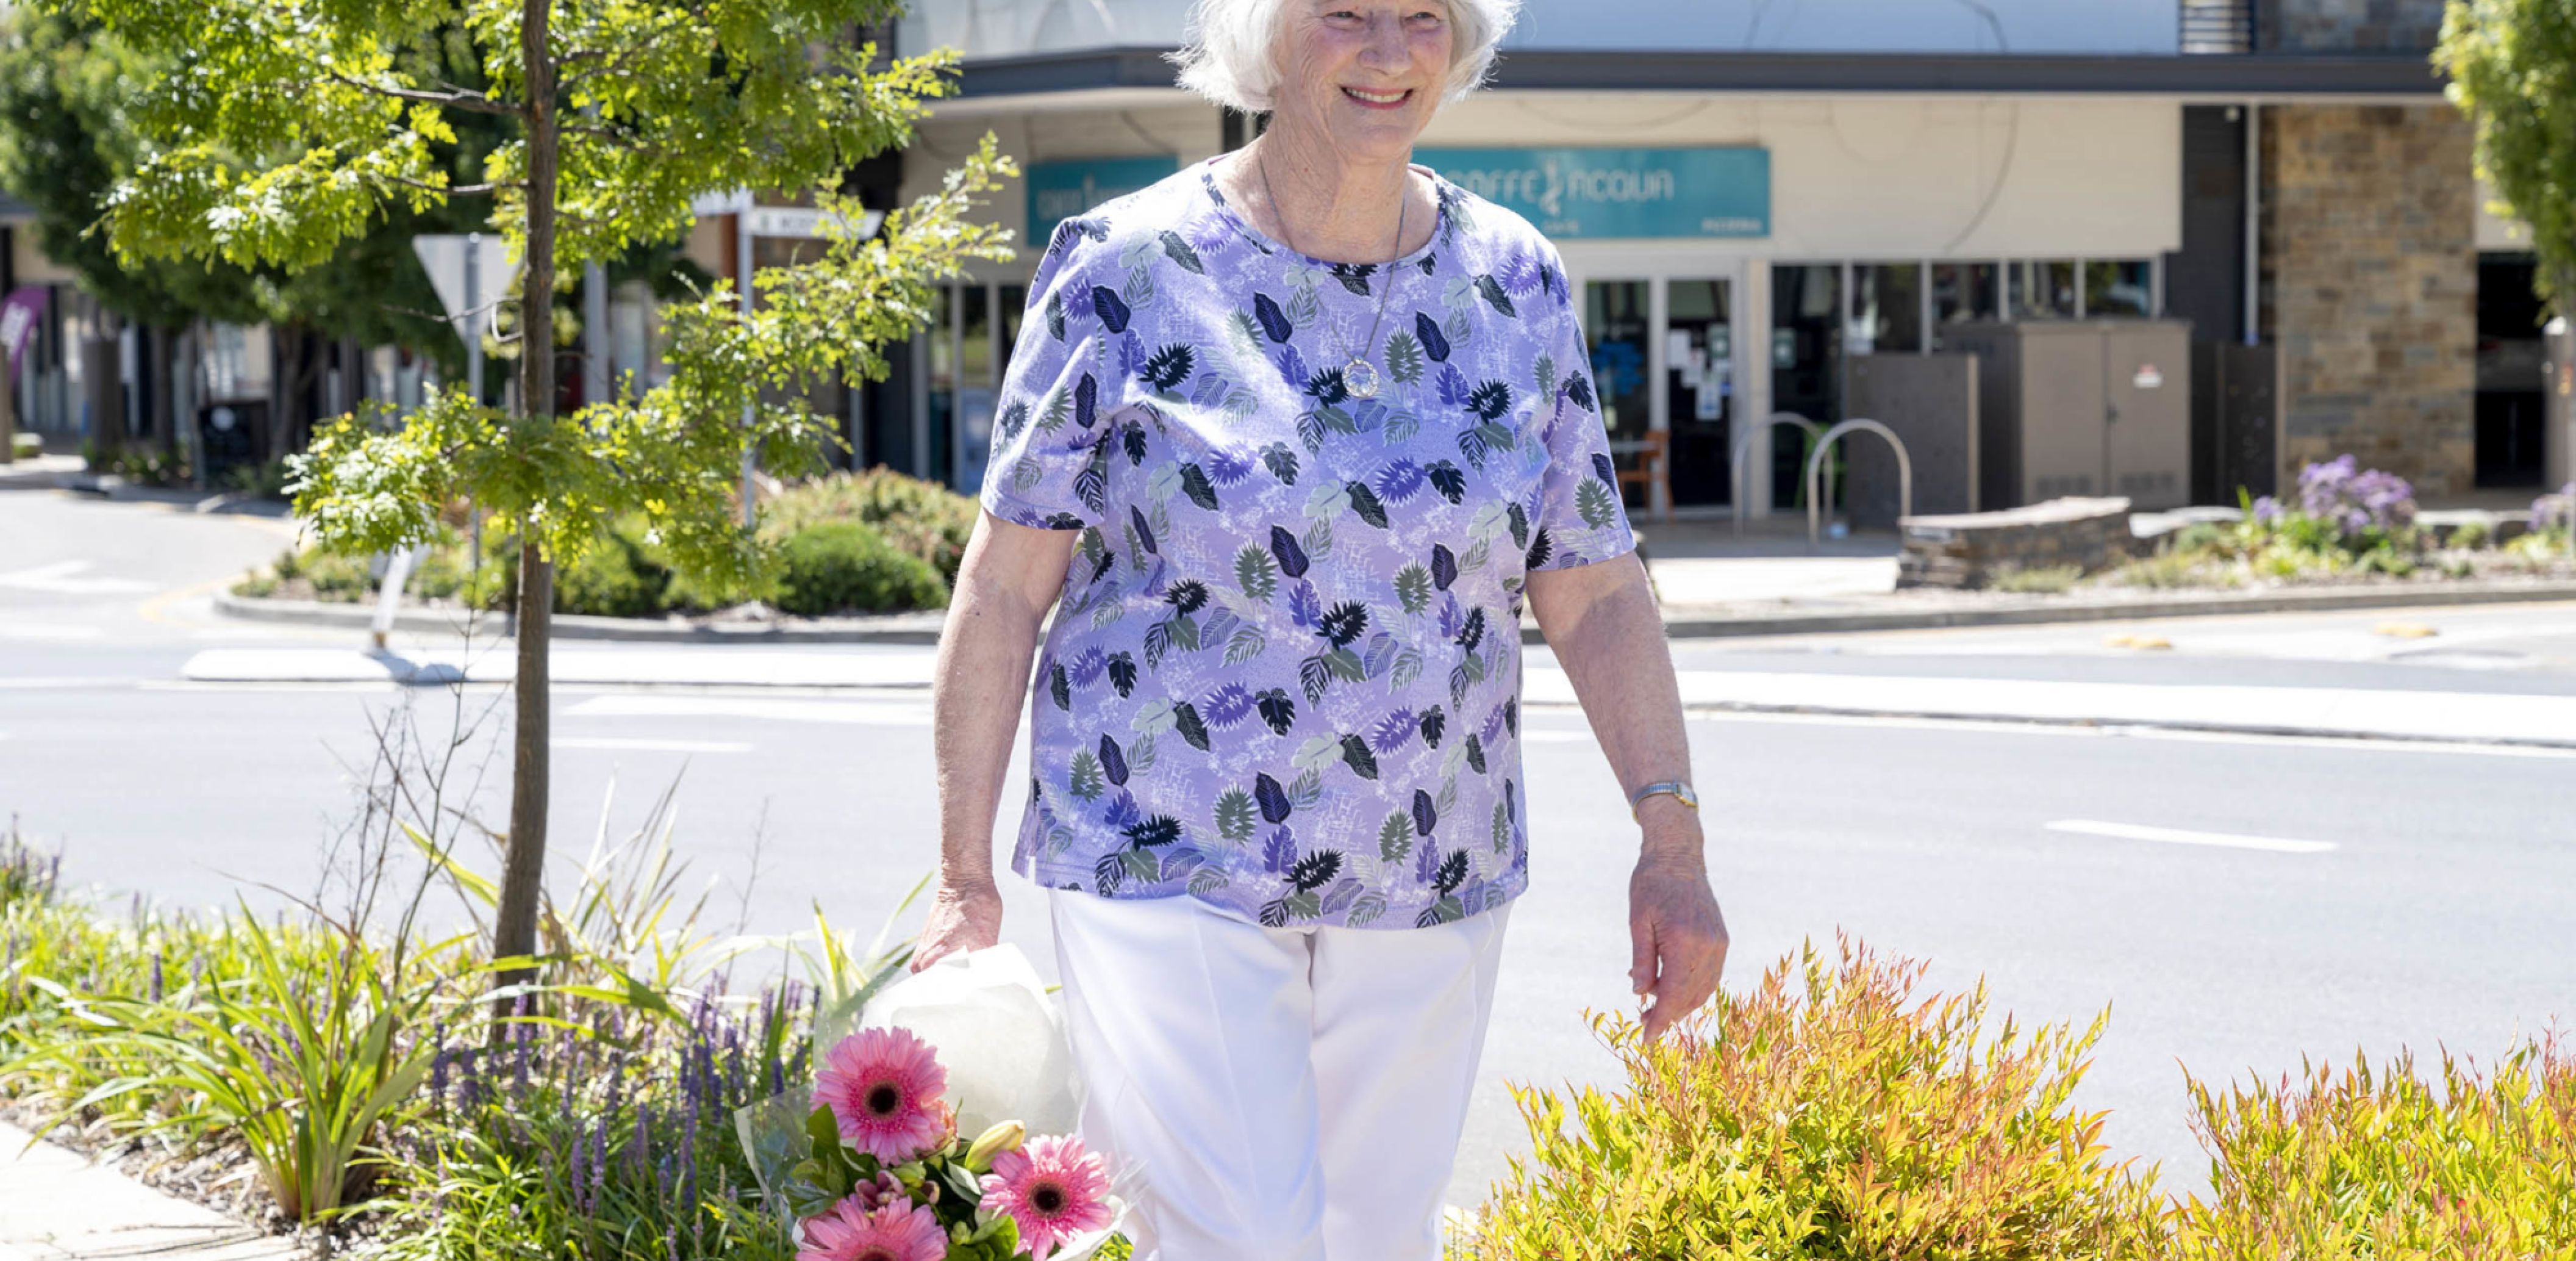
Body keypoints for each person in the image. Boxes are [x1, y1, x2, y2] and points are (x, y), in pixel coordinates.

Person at [912, 0, 1728, 1254]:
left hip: (1434, 868)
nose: (1391, 52)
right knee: (1241, 1240)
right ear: (1265, 39)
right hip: (1167, 856)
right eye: (1346, 13)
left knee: (1370, 1241)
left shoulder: (1514, 279)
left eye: (1423, 17)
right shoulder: (1125, 270)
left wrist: (1670, 836)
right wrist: (965, 875)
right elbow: (1007, 583)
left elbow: (1595, 583)